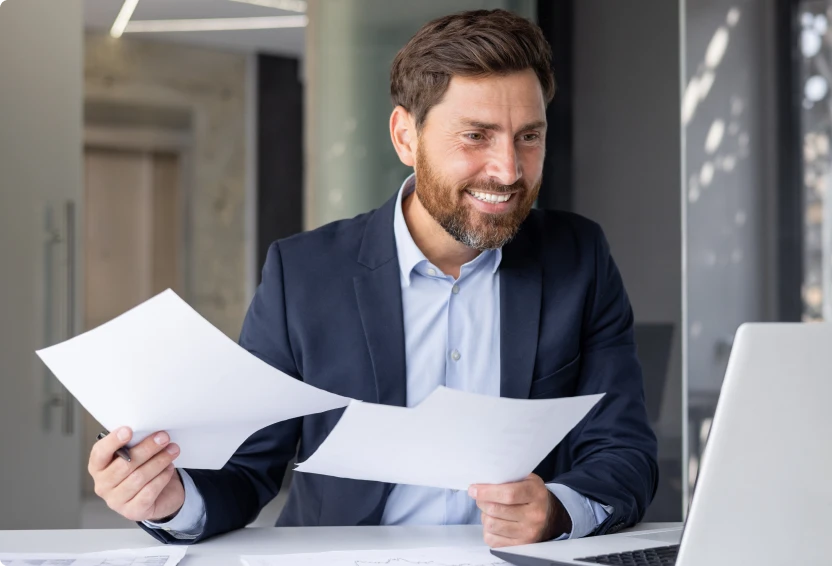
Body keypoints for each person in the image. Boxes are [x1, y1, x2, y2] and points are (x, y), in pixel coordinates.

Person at [87, 9, 658, 547]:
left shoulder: (578, 259)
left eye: (528, 136)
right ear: (406, 137)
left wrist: (555, 511)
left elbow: (624, 453)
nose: (508, 170)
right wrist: (168, 500)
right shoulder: (304, 274)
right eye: (476, 136)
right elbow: (247, 466)